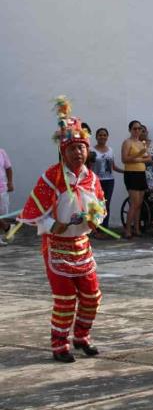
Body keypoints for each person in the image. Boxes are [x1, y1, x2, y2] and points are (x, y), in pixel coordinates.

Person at [17, 96, 106, 362]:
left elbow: (100, 206)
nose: (78, 153)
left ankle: (81, 336)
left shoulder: (91, 177)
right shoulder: (51, 177)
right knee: (65, 298)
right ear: (63, 151)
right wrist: (53, 224)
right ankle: (59, 344)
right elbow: (30, 213)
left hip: (81, 244)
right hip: (56, 245)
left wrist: (94, 218)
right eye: (72, 149)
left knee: (92, 296)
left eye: (81, 148)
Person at [121, 120, 151, 239]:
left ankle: (137, 229)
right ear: (130, 130)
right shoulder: (127, 142)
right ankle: (128, 229)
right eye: (135, 128)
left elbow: (148, 158)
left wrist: (140, 158)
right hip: (131, 173)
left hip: (141, 173)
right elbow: (124, 159)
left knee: (139, 204)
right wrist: (139, 156)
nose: (137, 131)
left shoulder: (141, 143)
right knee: (134, 203)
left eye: (139, 129)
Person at [90, 128, 123, 233]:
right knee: (97, 205)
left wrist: (125, 171)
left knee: (106, 205)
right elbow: (89, 168)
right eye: (100, 135)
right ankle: (96, 228)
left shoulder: (110, 150)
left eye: (104, 135)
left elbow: (113, 167)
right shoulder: (92, 150)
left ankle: (105, 228)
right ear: (96, 137)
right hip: (97, 181)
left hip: (109, 181)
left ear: (107, 137)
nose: (102, 137)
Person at [0, 147, 14, 245]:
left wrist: (10, 182)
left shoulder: (1, 152)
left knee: (2, 214)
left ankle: (0, 237)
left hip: (2, 189)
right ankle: (7, 227)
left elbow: (8, 168)